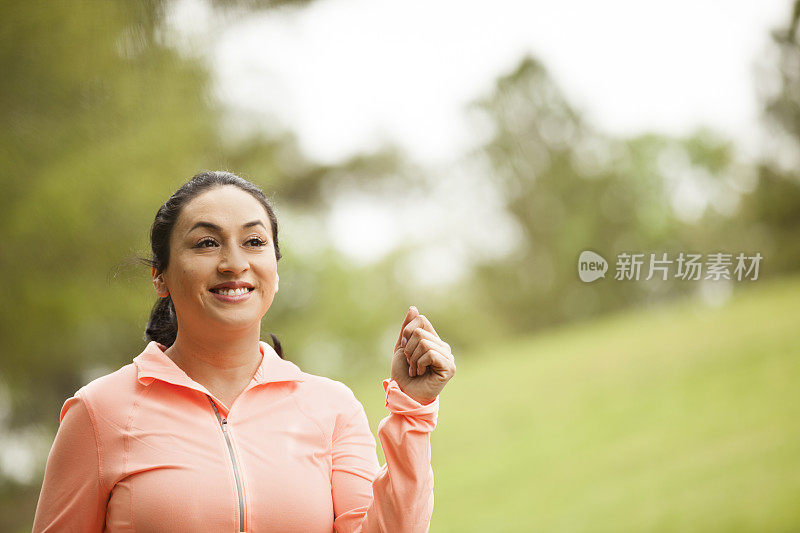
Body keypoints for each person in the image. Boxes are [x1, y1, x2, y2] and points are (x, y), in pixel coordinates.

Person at [32, 171, 456, 532]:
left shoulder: (331, 408)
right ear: (160, 277)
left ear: (275, 266)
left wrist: (413, 411)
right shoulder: (98, 411)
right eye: (205, 244)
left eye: (253, 241)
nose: (234, 263)